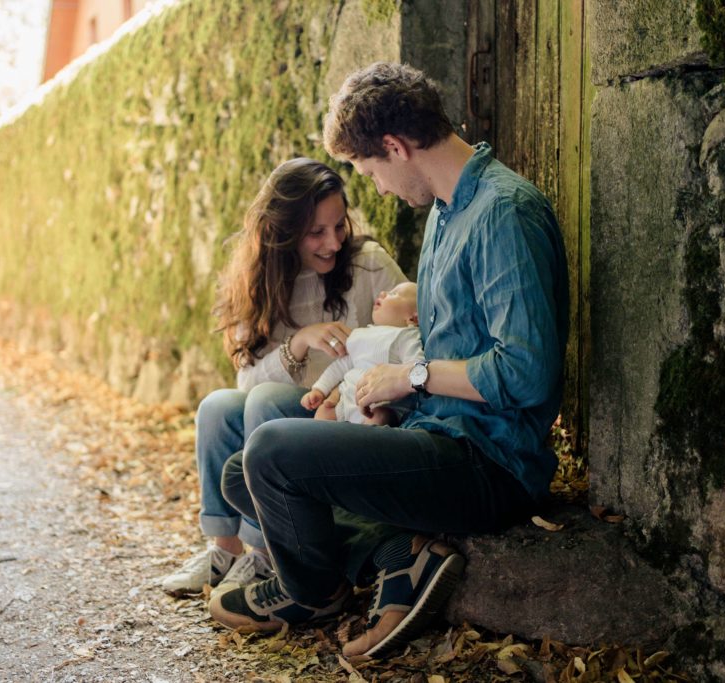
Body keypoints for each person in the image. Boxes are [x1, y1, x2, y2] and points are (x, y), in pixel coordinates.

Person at [209, 62, 569, 659]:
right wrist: (391, 402)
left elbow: (526, 373)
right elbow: (444, 346)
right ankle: (393, 556)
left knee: (271, 450)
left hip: (490, 463)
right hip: (433, 434)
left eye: (370, 170)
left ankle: (314, 593)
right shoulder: (447, 213)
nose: (377, 188)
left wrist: (409, 377)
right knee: (239, 474)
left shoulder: (502, 213)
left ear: (395, 147)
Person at [160, 157, 407, 597]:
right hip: (284, 412)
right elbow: (245, 382)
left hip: (344, 418)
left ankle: (264, 553)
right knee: (217, 406)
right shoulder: (258, 281)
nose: (333, 242)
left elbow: (411, 330)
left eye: (339, 226)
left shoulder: (369, 265)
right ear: (283, 232)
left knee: (266, 401)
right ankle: (224, 550)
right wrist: (298, 344)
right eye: (316, 232)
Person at [301, 281, 423, 426]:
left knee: (381, 416)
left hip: (378, 405)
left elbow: (416, 367)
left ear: (413, 318)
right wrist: (319, 389)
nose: (383, 293)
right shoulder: (361, 335)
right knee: (324, 412)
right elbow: (340, 366)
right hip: (345, 400)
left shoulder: (407, 336)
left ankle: (362, 437)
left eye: (393, 293)